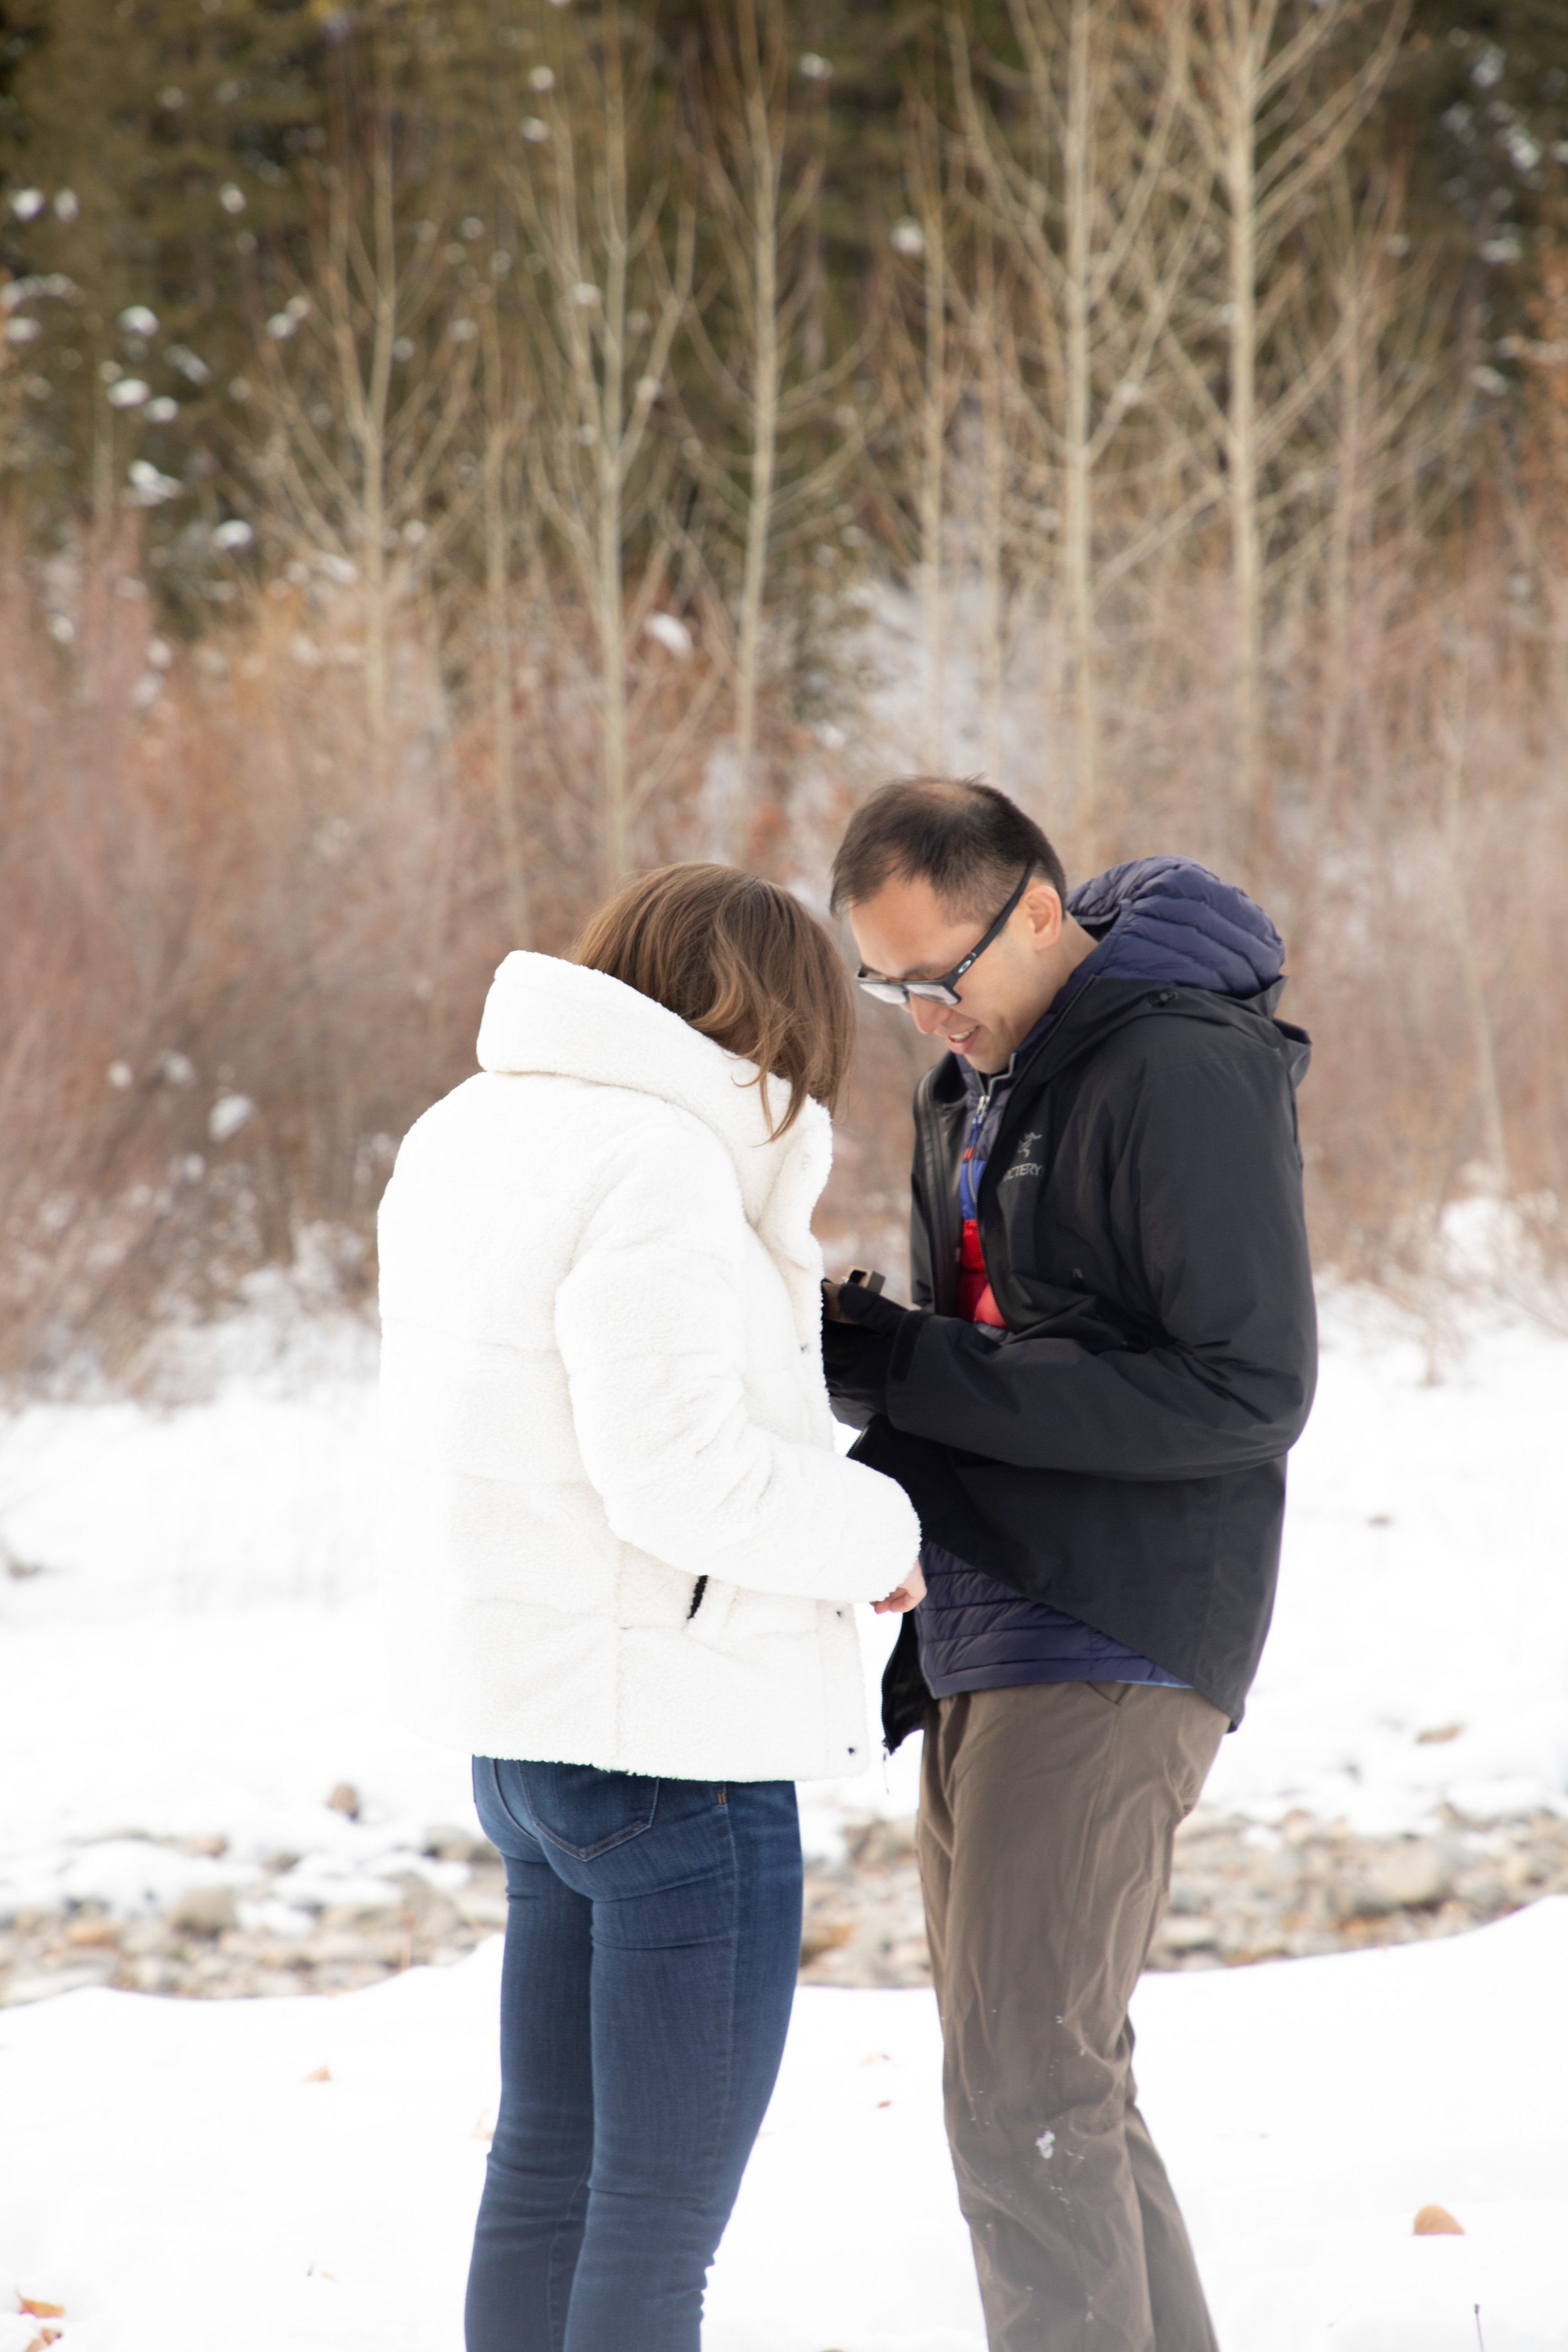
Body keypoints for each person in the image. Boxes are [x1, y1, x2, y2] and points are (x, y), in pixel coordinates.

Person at [376, 863, 923, 2352]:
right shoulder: (656, 1163)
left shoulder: (466, 1129)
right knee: (652, 2226)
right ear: (773, 1022)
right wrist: (876, 1526)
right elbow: (676, 1475)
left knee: (546, 2172)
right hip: (669, 1752)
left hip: (530, 1733)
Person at [821, 779, 1316, 2352]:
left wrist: (899, 1369)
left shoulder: (1176, 1060)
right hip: (983, 1614)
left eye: (938, 978)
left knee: (1023, 2095)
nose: (920, 1019)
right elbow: (973, 1356)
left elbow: (1247, 1390)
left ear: (1037, 913)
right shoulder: (970, 1084)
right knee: (1049, 2085)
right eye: (885, 987)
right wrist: (867, 1482)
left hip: (1114, 1620)